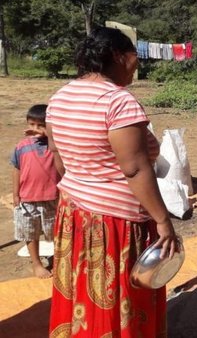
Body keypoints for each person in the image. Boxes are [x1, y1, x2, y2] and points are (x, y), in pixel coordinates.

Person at [46, 27, 179, 336]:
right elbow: (134, 169)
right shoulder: (118, 102)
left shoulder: (61, 96)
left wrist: (85, 186)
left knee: (82, 289)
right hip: (115, 224)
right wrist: (162, 220)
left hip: (74, 213)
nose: (137, 67)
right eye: (134, 59)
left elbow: (58, 157)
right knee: (119, 295)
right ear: (120, 57)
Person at [10, 104, 61, 278]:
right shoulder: (22, 146)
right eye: (32, 125)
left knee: (56, 232)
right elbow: (16, 169)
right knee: (30, 232)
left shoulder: (56, 146)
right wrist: (16, 193)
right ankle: (37, 264)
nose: (35, 129)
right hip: (27, 199)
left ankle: (58, 260)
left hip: (53, 198)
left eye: (41, 125)